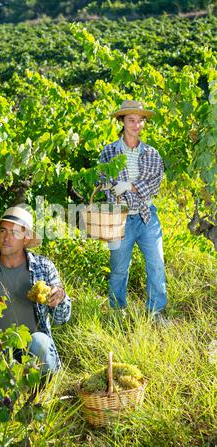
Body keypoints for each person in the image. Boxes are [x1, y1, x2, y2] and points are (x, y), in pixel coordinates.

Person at [0, 205, 71, 374]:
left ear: (26, 238)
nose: (6, 238)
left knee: (40, 343)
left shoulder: (44, 267)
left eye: (15, 233)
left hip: (32, 350)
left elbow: (62, 319)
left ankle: (42, 391)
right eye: (3, 231)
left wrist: (60, 298)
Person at [99, 100, 167, 322]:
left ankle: (156, 312)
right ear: (122, 121)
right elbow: (103, 183)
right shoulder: (108, 152)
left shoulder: (151, 153)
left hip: (147, 216)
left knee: (156, 264)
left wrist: (129, 185)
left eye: (140, 121)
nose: (136, 125)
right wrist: (112, 188)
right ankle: (118, 312)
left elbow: (155, 183)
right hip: (121, 218)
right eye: (131, 120)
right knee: (119, 267)